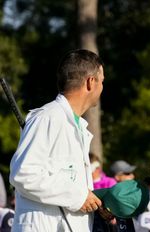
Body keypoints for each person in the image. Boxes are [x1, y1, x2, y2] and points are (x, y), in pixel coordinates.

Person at [9, 49, 104, 231]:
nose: (102, 88)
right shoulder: (47, 118)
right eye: (102, 81)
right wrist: (78, 197)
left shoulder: (75, 126)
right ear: (91, 82)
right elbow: (23, 174)